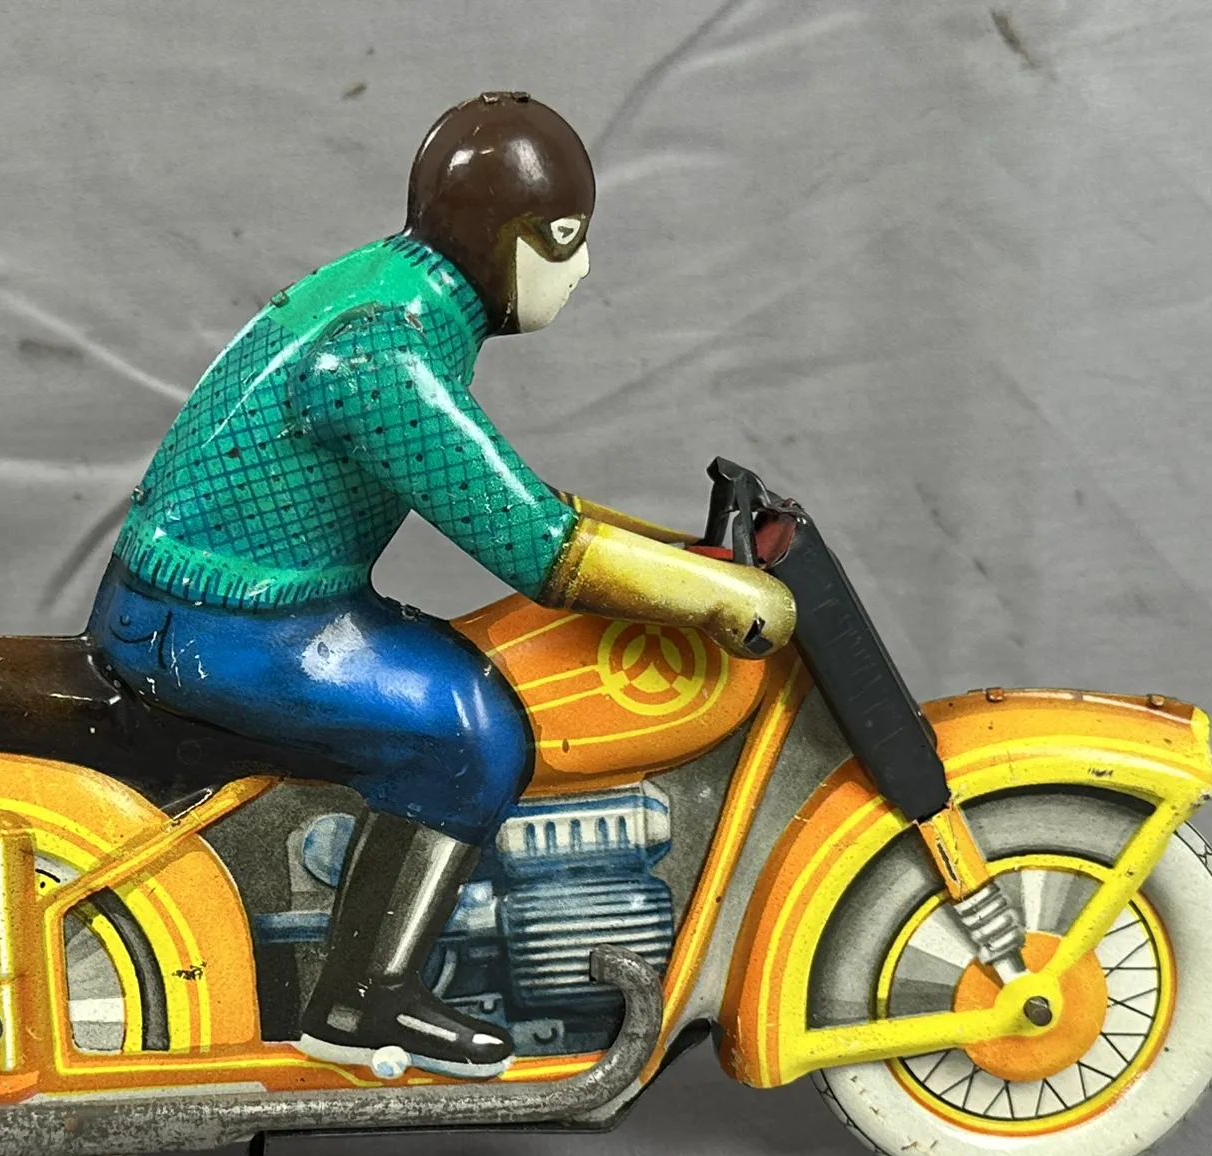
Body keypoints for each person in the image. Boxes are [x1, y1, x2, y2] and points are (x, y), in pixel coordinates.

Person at [90, 92, 794, 1080]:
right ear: (506, 238)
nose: (582, 267)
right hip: (224, 625)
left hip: (233, 603)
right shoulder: (385, 353)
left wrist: (674, 560)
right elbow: (533, 544)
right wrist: (726, 597)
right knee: (471, 728)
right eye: (564, 239)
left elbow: (516, 498)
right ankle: (359, 1002)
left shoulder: (398, 289)